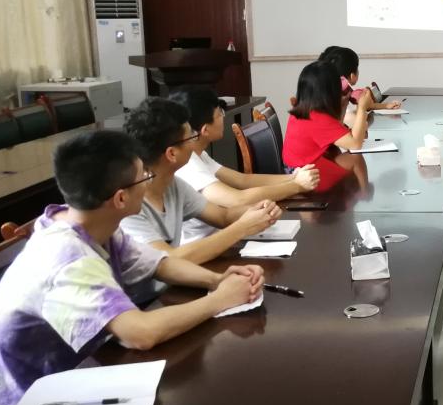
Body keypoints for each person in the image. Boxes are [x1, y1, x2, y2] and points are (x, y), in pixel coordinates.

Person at [0, 130, 264, 405]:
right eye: (143, 177)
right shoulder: (68, 259)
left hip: (77, 379)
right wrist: (220, 299)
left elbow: (159, 263)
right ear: (121, 198)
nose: (149, 180)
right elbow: (140, 333)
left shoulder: (89, 222)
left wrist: (217, 279)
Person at [121, 98, 282, 263]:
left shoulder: (173, 185)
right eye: (190, 137)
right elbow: (168, 260)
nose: (194, 141)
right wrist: (242, 228)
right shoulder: (128, 206)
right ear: (171, 153)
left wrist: (258, 210)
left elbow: (222, 216)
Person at [170, 87, 320, 241]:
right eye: (219, 114)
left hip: (221, 239)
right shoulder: (188, 166)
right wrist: (296, 186)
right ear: (205, 130)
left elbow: (242, 180)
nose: (223, 117)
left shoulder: (198, 154)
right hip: (206, 246)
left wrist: (294, 177)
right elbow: (237, 200)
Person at [283, 61, 372, 192]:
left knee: (341, 153)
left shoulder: (305, 110)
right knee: (356, 159)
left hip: (297, 168)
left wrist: (344, 105)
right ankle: (365, 195)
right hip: (307, 176)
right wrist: (362, 107)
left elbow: (338, 129)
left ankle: (359, 193)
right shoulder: (317, 118)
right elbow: (355, 144)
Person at [317, 46, 402, 111]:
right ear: (352, 75)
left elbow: (367, 105)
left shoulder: (323, 84)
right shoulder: (344, 86)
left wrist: (386, 105)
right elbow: (364, 104)